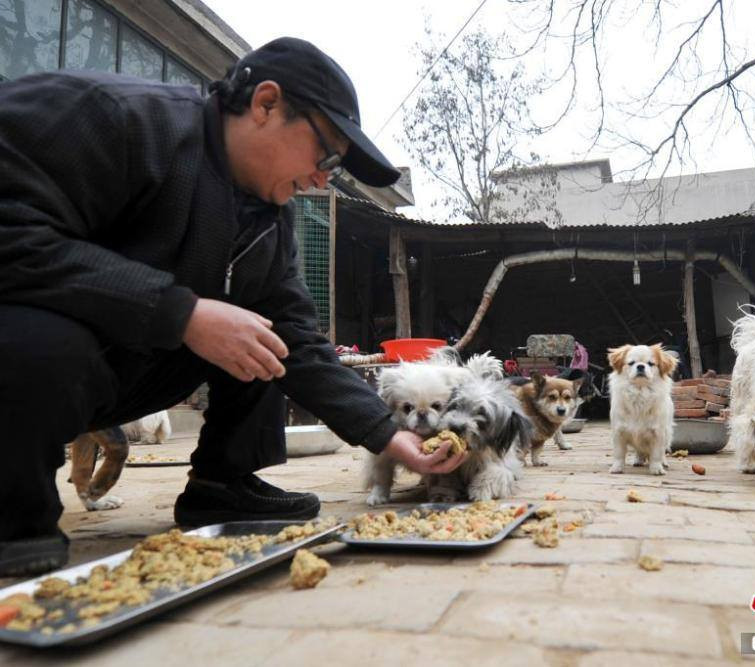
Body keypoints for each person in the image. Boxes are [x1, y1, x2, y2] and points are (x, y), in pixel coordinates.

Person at [0, 37, 465, 576]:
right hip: (33, 348)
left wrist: (389, 436)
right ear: (266, 104)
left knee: (264, 335)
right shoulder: (116, 118)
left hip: (110, 368)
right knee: (44, 340)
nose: (323, 177)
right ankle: (15, 517)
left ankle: (222, 486)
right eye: (327, 154)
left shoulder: (268, 219)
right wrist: (181, 313)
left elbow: (300, 342)